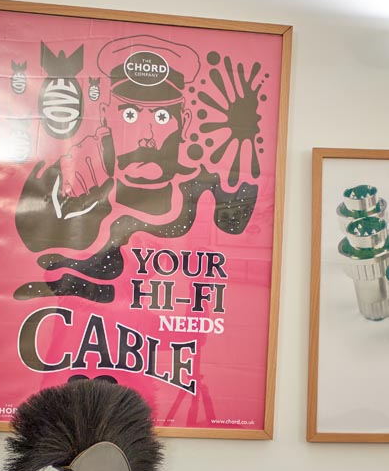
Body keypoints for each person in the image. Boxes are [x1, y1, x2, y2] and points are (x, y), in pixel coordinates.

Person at [14, 35, 257, 302]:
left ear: (184, 122)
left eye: (162, 116)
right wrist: (58, 177)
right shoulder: (82, 201)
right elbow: (34, 239)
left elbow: (237, 226)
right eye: (129, 115)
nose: (147, 136)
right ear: (105, 117)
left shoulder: (205, 195)